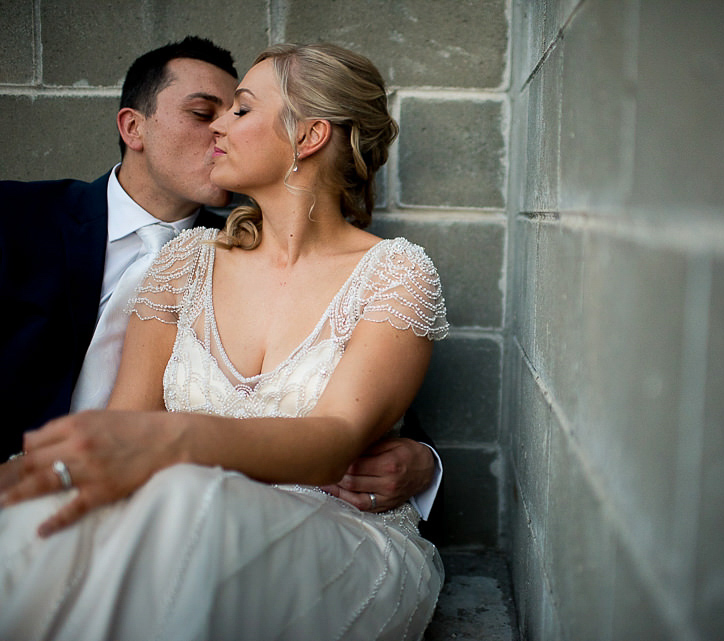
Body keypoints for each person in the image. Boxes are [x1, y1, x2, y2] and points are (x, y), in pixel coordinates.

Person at [0, 42, 448, 639]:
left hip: (336, 540)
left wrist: (181, 439)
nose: (220, 128)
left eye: (239, 110)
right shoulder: (184, 262)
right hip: (170, 515)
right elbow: (123, 429)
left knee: (188, 498)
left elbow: (340, 436)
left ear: (309, 136)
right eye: (210, 111)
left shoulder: (395, 274)